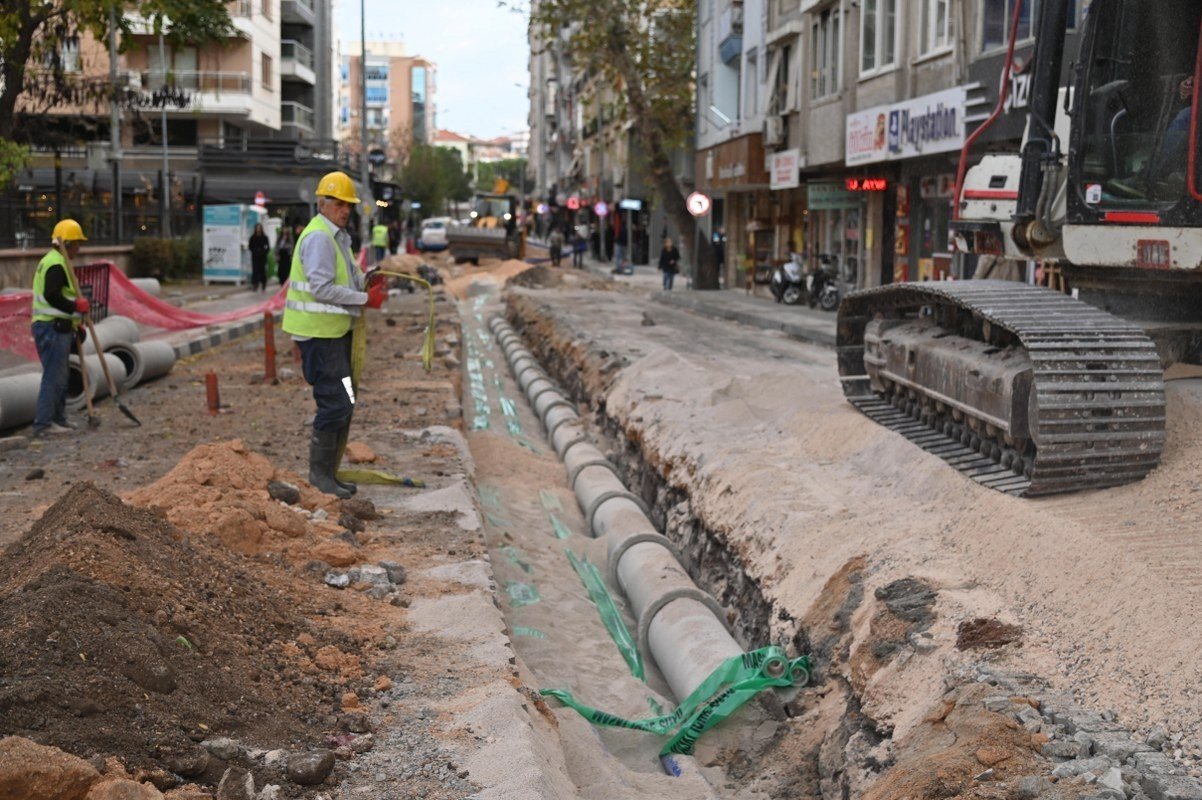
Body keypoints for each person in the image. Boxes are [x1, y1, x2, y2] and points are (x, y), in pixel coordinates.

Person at [282, 171, 390, 499]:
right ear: (322, 203)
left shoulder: (338, 237)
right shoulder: (318, 238)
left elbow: (345, 280)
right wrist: (363, 299)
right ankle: (320, 477)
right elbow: (321, 288)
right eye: (338, 203)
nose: (344, 210)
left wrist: (365, 281)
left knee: (346, 397)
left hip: (334, 335)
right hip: (320, 337)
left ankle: (328, 473)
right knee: (336, 403)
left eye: (348, 205)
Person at [31, 219, 90, 437]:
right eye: (77, 244)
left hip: (60, 327)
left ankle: (58, 418)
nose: (79, 249)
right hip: (50, 328)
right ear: (69, 243)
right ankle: (44, 424)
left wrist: (76, 322)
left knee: (61, 375)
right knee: (54, 375)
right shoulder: (55, 263)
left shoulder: (59, 261)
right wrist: (76, 306)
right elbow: (52, 295)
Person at [248, 223, 270, 291]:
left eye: (259, 227)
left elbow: (267, 247)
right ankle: (255, 284)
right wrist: (255, 251)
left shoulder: (265, 237)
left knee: (262, 270)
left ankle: (263, 283)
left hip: (262, 257)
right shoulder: (252, 237)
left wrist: (263, 252)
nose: (258, 229)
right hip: (255, 256)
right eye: (257, 227)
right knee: (255, 270)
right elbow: (250, 246)